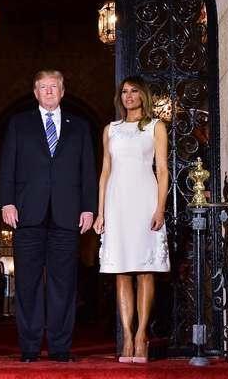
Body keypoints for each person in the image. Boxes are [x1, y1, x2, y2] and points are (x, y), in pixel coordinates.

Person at [0, 69, 97, 363]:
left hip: (67, 216)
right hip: (27, 213)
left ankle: (59, 348)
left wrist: (89, 207)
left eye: (54, 87)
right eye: (43, 87)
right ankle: (29, 347)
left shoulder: (79, 126)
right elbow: (7, 168)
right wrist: (7, 203)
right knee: (26, 283)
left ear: (63, 92)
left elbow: (87, 170)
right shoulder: (18, 123)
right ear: (35, 92)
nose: (49, 91)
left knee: (63, 285)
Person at [93, 75, 169, 363]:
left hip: (145, 199)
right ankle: (126, 335)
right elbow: (105, 171)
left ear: (143, 95)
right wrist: (100, 212)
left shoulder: (155, 126)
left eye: (134, 91)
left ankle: (142, 336)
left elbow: (162, 170)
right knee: (121, 270)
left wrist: (160, 208)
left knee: (144, 270)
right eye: (124, 91)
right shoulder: (110, 129)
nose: (128, 95)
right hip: (116, 202)